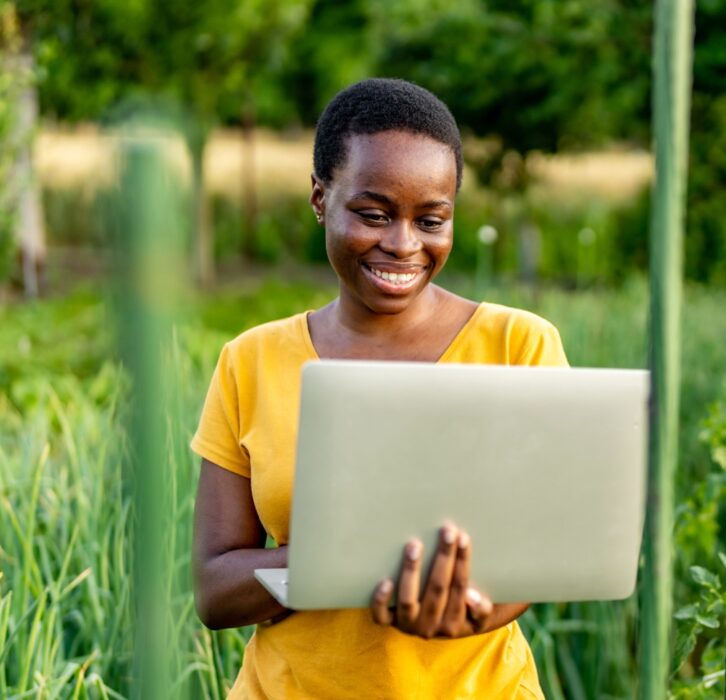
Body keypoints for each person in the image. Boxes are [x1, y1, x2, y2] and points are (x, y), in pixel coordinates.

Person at [189, 78, 565, 699]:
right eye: (374, 214)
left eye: (431, 219)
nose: (402, 243)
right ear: (319, 198)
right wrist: (347, 563)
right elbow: (214, 589)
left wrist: (464, 611)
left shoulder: (517, 346)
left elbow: (543, 550)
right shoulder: (249, 361)